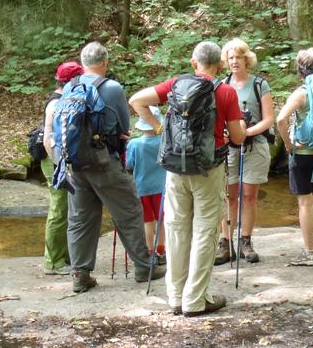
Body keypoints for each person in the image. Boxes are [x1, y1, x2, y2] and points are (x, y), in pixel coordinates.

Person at [129, 41, 247, 317]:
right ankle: (195, 300)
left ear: (193, 63)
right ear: (219, 66)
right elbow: (238, 138)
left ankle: (175, 297)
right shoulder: (226, 91)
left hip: (175, 169)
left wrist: (161, 129)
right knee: (205, 231)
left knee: (177, 230)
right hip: (208, 169)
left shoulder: (175, 85)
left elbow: (136, 100)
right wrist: (239, 125)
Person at [46, 41, 165, 293]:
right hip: (104, 162)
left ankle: (80, 275)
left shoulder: (69, 86)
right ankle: (144, 267)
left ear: (83, 62)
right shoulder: (111, 87)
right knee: (129, 210)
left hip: (74, 164)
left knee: (80, 219)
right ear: (105, 62)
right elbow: (122, 126)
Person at [214, 38, 274, 265]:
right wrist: (227, 133)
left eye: (238, 57)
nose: (234, 62)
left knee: (249, 196)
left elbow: (268, 119)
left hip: (254, 146)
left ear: (246, 59)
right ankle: (225, 241)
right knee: (227, 196)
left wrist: (246, 133)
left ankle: (245, 241)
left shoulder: (260, 85)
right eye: (230, 58)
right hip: (227, 149)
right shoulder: (220, 86)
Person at [276, 47, 313, 267]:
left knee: (304, 202)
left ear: (300, 70)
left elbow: (281, 120)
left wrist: (289, 146)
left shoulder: (302, 92)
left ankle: (309, 253)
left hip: (303, 152)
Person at [41, 61, 83, 275]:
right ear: (72, 80)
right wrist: (60, 165)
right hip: (54, 159)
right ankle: (53, 262)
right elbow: (48, 140)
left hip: (59, 159)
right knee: (58, 209)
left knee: (65, 209)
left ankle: (64, 256)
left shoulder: (62, 98)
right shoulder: (55, 103)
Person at [126, 106, 166, 265]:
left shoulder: (134, 144)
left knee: (147, 220)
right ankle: (162, 251)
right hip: (162, 187)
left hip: (142, 187)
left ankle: (150, 252)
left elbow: (129, 165)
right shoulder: (163, 141)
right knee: (162, 219)